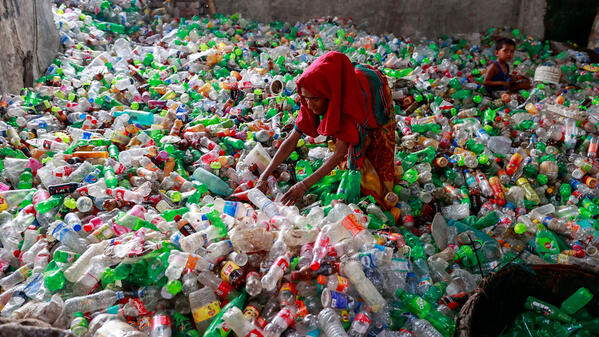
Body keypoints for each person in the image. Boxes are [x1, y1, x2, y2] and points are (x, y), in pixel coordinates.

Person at [256, 51, 396, 207]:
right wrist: (264, 176)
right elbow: (291, 141)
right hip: (341, 96)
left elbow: (338, 154)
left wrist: (303, 185)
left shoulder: (347, 103)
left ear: (330, 97)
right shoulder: (310, 93)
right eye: (306, 98)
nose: (309, 105)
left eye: (315, 99)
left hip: (371, 91)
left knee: (377, 150)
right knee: (350, 157)